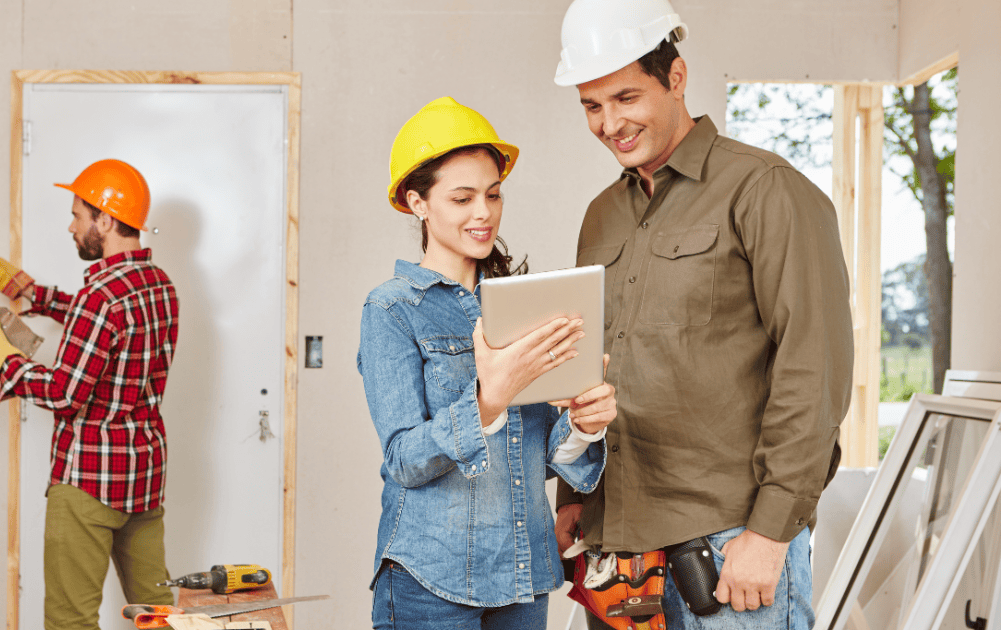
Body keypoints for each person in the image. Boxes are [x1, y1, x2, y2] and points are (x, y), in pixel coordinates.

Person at [549, 2, 855, 629]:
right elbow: (592, 367)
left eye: (626, 98)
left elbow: (813, 366)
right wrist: (578, 496)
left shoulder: (765, 189)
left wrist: (770, 534)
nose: (609, 123)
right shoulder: (601, 214)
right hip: (620, 551)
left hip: (729, 546)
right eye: (591, 105)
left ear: (677, 76)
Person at [358, 96, 618, 630]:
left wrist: (582, 425)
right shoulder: (391, 309)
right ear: (418, 203)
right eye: (462, 198)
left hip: (523, 575)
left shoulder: (521, 304)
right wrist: (488, 398)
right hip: (430, 578)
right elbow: (404, 459)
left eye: (493, 194)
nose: (484, 213)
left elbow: (536, 455)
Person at [0, 158, 179, 630]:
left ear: (105, 220)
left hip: (88, 482)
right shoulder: (160, 287)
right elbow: (100, 326)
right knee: (159, 616)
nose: (71, 226)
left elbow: (65, 393)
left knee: (70, 622)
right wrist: (26, 290)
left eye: (78, 215)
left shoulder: (100, 296)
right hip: (142, 479)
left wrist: (7, 362)